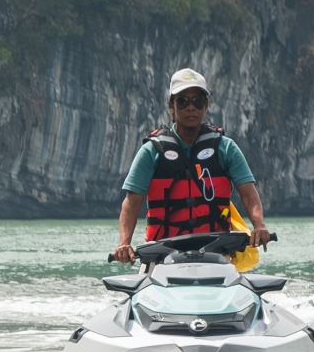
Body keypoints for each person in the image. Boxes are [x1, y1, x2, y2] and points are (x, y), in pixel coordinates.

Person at [112, 66, 273, 265]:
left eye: (197, 101)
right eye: (182, 101)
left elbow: (248, 193)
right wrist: (124, 243)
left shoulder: (226, 148)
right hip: (162, 258)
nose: (191, 107)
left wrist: (259, 226)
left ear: (205, 106)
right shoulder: (151, 151)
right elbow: (131, 202)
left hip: (217, 257)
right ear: (171, 106)